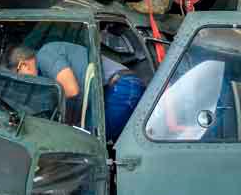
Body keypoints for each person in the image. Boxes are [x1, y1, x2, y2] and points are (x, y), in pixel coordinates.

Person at [7, 42, 145, 142]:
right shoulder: (44, 70)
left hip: (120, 86)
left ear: (23, 64)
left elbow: (72, 90)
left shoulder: (45, 55)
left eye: (19, 75)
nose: (24, 80)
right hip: (108, 92)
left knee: (90, 145)